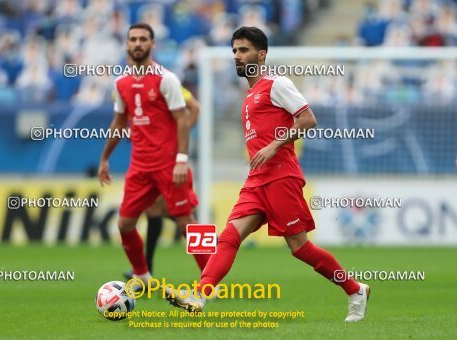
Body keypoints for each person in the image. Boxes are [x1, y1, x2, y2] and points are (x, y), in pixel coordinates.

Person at [165, 26, 370, 323]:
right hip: (256, 180)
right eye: (234, 50)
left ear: (261, 54)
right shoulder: (249, 95)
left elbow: (308, 119)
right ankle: (199, 294)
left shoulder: (276, 83)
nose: (237, 55)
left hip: (281, 177)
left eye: (243, 50)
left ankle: (355, 290)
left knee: (299, 248)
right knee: (228, 237)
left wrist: (275, 145)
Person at [98, 23, 209, 287]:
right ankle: (143, 275)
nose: (137, 43)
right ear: (127, 44)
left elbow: (183, 118)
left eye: (143, 39)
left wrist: (181, 159)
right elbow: (118, 122)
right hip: (139, 167)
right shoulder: (121, 83)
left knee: (187, 222)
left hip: (169, 165)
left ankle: (211, 279)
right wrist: (105, 158)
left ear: (152, 44)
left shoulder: (166, 79)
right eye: (133, 39)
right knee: (125, 224)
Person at [123, 85, 200, 281]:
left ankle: (213, 257)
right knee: (154, 212)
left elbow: (195, 108)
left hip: (169, 161)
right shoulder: (131, 87)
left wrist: (176, 137)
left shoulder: (165, 84)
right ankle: (145, 271)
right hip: (151, 163)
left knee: (183, 219)